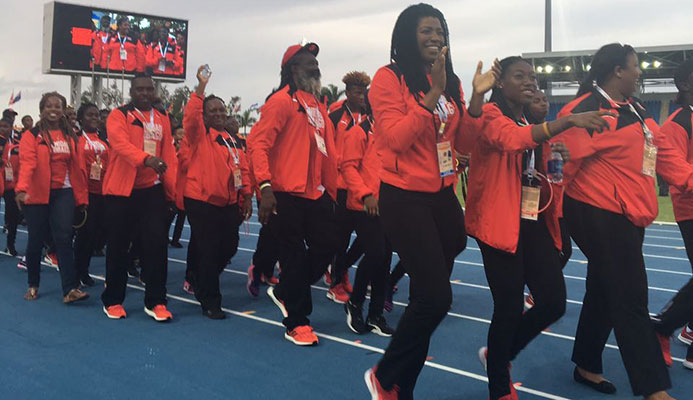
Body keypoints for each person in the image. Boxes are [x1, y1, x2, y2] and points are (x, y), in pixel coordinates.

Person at [362, 4, 498, 398]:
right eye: (426, 31)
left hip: (441, 196)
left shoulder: (450, 80)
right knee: (437, 298)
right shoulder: (388, 80)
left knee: (430, 294)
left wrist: (473, 99)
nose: (436, 37)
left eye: (440, 31)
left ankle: (401, 387)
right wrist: (432, 94)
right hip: (404, 197)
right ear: (407, 35)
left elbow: (465, 145)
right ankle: (385, 375)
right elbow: (395, 140)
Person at [464, 56, 613, 400]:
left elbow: (541, 175)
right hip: (498, 224)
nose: (530, 82)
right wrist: (568, 122)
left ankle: (499, 355)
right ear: (500, 83)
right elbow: (512, 141)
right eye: (521, 76)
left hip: (532, 223)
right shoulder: (492, 116)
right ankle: (499, 386)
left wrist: (557, 159)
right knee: (508, 308)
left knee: (554, 302)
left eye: (532, 77)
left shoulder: (527, 119)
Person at [559, 43, 693, 400]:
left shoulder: (636, 110)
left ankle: (586, 363)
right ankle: (653, 389)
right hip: (595, 212)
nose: (640, 73)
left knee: (603, 290)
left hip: (629, 214)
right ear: (617, 70)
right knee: (632, 297)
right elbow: (559, 165)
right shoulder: (585, 110)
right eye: (635, 67)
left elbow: (663, 156)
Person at [247, 41, 339, 346]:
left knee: (329, 245)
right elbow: (258, 145)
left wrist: (333, 193)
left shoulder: (316, 104)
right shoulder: (281, 102)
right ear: (292, 70)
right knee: (295, 257)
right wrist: (264, 187)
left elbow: (327, 152)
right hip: (283, 193)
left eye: (315, 62)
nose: (315, 67)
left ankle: (287, 289)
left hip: (315, 194)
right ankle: (297, 322)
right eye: (307, 63)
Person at [101, 73, 177, 322]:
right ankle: (112, 299)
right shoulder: (119, 115)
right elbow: (119, 145)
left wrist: (173, 191)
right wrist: (146, 159)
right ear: (131, 91)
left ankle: (156, 301)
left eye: (149, 89)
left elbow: (169, 157)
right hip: (122, 192)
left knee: (156, 246)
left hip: (151, 191)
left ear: (154, 91)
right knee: (119, 248)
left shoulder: (162, 117)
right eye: (139, 89)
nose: (145, 93)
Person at [182, 66, 252, 318]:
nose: (219, 114)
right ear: (204, 115)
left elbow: (243, 168)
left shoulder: (232, 139)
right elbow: (190, 117)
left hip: (229, 202)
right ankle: (211, 300)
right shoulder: (198, 134)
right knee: (210, 249)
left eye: (222, 109)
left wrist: (247, 196)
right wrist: (201, 87)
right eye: (213, 110)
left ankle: (201, 277)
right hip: (201, 200)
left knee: (230, 246)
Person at [15, 92, 89, 303]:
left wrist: (82, 198)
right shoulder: (32, 135)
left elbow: (78, 168)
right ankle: (33, 284)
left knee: (64, 238)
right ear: (42, 109)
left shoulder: (71, 135)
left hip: (63, 192)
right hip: (37, 194)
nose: (53, 110)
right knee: (36, 240)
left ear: (63, 110)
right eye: (49, 106)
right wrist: (21, 188)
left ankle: (70, 289)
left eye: (58, 106)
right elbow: (28, 162)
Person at [340, 99, 395, 337]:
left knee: (384, 260)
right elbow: (348, 167)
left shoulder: (393, 135)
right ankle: (355, 303)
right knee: (375, 254)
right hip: (364, 206)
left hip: (390, 207)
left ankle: (375, 314)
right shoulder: (359, 132)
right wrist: (365, 195)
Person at [654, 57, 693, 369]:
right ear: (686, 84)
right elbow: (674, 169)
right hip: (690, 210)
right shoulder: (677, 124)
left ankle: (679, 329)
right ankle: (664, 326)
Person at [523, 89, 573, 310]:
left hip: (551, 205)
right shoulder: (521, 134)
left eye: (545, 100)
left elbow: (557, 175)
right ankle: (536, 288)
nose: (543, 104)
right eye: (536, 101)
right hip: (527, 209)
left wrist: (563, 160)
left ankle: (536, 290)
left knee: (564, 250)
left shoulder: (553, 136)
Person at [325, 71, 370, 304]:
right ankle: (336, 283)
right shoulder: (335, 117)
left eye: (364, 92)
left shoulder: (370, 117)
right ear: (347, 92)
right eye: (357, 91)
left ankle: (340, 269)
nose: (361, 96)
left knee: (367, 239)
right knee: (340, 238)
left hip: (364, 187)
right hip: (340, 187)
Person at [73, 102, 109, 287]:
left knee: (96, 234)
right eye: (89, 115)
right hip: (85, 194)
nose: (94, 118)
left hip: (103, 193)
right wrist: (81, 197)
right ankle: (80, 272)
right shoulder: (76, 140)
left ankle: (82, 269)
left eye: (97, 115)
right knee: (84, 235)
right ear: (80, 119)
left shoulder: (105, 140)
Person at [1, 118, 19, 255]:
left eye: (6, 126)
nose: (2, 129)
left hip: (10, 184)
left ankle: (10, 245)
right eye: (0, 126)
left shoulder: (16, 146)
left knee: (13, 217)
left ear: (12, 128)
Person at [168, 126, 186, 248]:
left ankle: (175, 239)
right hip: (170, 188)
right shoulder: (169, 147)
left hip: (182, 189)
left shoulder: (186, 148)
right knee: (169, 216)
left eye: (183, 134)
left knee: (181, 216)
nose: (181, 137)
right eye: (179, 134)